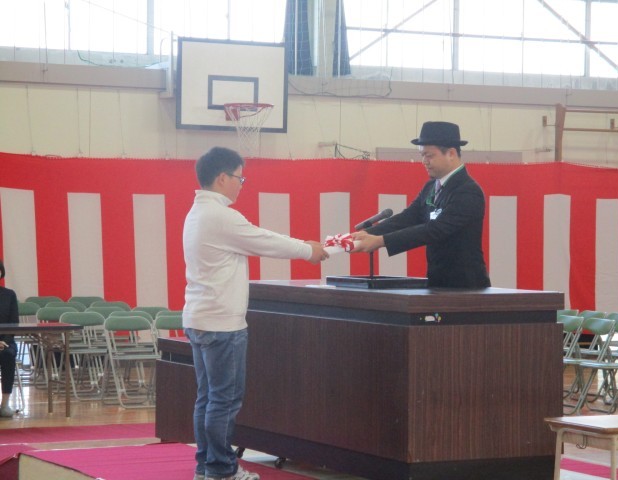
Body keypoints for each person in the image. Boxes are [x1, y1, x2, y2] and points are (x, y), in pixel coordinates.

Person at [182, 146, 329, 480]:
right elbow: (265, 241)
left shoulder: (197, 212)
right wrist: (308, 250)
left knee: (207, 399)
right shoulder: (222, 216)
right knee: (224, 401)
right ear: (222, 178)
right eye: (240, 177)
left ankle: (206, 466)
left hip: (199, 317)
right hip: (222, 323)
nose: (241, 184)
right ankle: (222, 470)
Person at [351, 121, 491, 289]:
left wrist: (380, 241)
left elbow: (435, 230)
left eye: (429, 155)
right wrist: (365, 234)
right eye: (422, 155)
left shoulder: (467, 191)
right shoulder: (431, 187)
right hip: (437, 282)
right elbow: (408, 217)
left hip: (466, 286)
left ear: (451, 153)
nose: (424, 161)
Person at [0, 260, 19, 417]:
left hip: (6, 341)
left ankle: (4, 404)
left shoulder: (9, 295)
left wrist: (4, 341)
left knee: (7, 355)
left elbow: (14, 322)